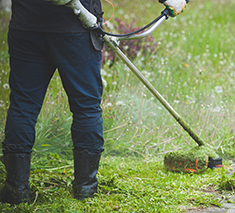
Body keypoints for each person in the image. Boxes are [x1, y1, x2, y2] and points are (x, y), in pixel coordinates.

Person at [0, 0, 187, 205]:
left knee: (23, 108)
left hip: (26, 27)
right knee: (86, 108)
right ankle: (85, 189)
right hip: (76, 31)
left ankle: (16, 190)